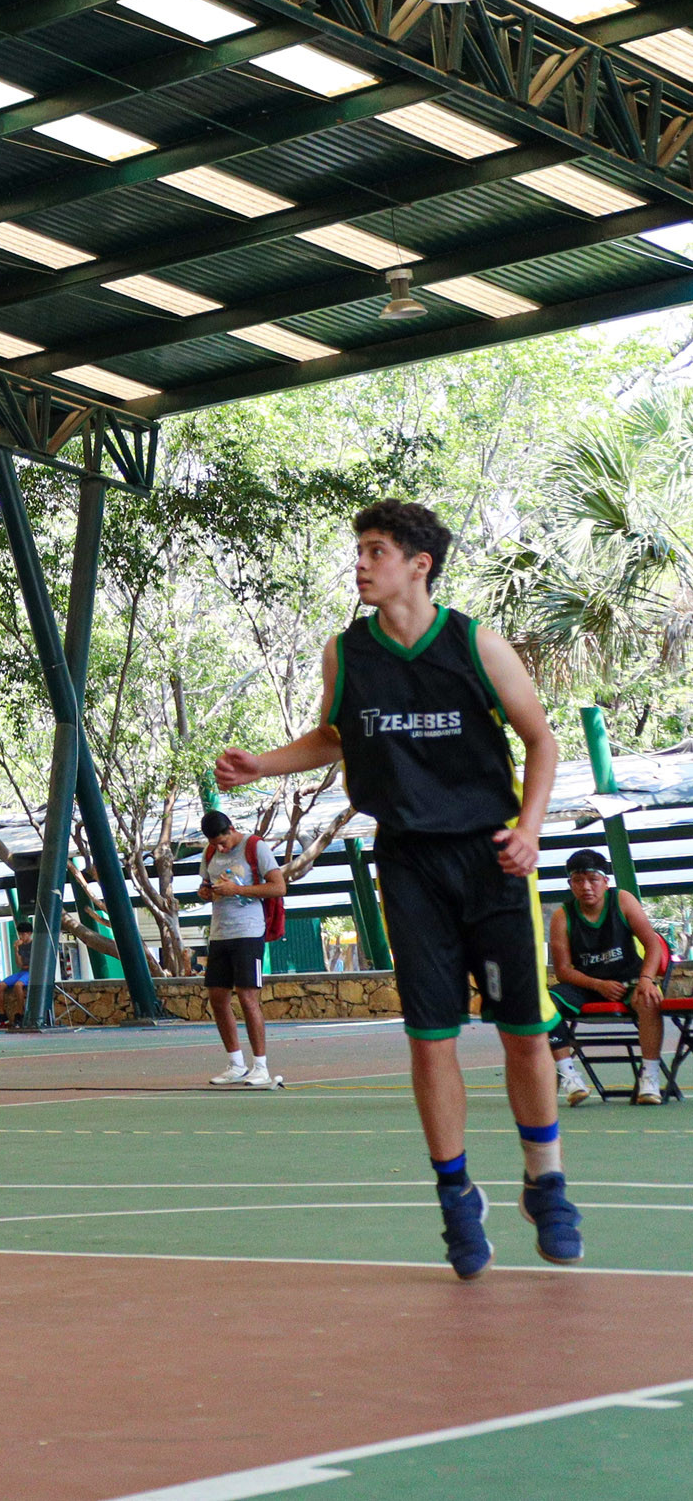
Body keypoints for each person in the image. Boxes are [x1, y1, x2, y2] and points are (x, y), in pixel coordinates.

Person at [214, 498, 578, 1278]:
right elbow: (333, 735)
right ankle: (456, 1195)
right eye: (360, 550)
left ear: (420, 562)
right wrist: (262, 764)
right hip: (409, 858)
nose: (361, 562)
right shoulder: (347, 654)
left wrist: (532, 827)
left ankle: (544, 1180)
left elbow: (541, 737)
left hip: (492, 857)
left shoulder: (475, 642)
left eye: (376, 550)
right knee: (430, 1034)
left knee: (523, 1031)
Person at [546, 848, 670, 1107]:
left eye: (593, 879)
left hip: (627, 979)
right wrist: (597, 985)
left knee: (648, 998)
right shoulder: (562, 916)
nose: (586, 887)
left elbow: (653, 944)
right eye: (578, 881)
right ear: (571, 885)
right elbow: (564, 970)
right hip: (587, 985)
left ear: (606, 881)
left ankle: (649, 1075)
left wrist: (647, 978)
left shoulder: (622, 901)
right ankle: (570, 1076)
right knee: (543, 1006)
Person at [196, 810, 284, 1088]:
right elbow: (206, 884)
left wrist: (238, 890)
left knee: (248, 998)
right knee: (217, 997)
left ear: (232, 829)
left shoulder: (254, 846)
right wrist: (206, 892)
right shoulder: (210, 854)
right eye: (215, 844)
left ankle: (261, 1066)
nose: (220, 849)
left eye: (223, 842)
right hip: (220, 933)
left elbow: (278, 887)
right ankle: (236, 1063)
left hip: (249, 931)